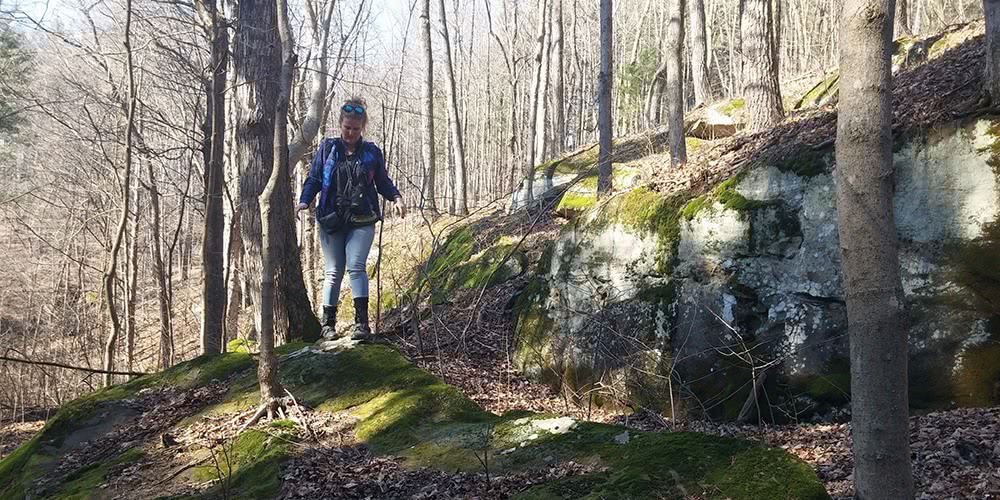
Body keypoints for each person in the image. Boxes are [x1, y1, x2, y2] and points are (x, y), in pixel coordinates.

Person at [298, 97, 405, 341]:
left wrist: (396, 197)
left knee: (356, 266)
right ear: (340, 124)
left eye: (356, 129)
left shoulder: (371, 153)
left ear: (362, 128)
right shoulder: (327, 148)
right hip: (331, 218)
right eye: (347, 127)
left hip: (362, 218)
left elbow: (382, 181)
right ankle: (328, 324)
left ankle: (361, 324)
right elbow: (314, 179)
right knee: (333, 270)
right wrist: (304, 201)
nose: (351, 133)